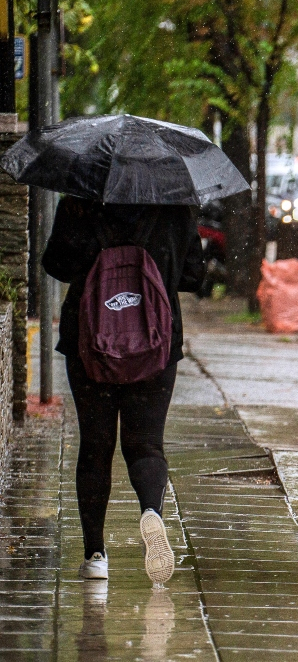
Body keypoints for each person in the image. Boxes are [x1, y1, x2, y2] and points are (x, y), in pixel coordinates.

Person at [42, 198, 204, 584]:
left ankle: (96, 555)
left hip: (89, 342)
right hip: (156, 343)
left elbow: (55, 265)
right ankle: (151, 511)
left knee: (96, 446)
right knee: (147, 443)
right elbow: (195, 277)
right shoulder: (174, 208)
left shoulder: (78, 205)